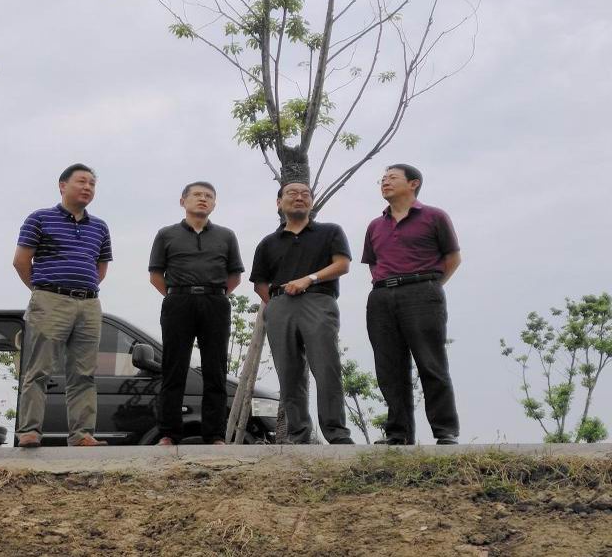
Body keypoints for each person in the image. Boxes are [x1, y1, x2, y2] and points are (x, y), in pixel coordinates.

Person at [13, 163, 112, 448]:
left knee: (84, 373)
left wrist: (81, 289)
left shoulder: (100, 227)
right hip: (50, 299)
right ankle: (30, 431)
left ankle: (82, 434)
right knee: (39, 369)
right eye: (81, 181)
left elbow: (100, 268)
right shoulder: (40, 218)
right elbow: (21, 261)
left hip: (89, 302)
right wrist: (43, 290)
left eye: (92, 183)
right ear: (62, 185)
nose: (87, 187)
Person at [362, 164, 462, 445]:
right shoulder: (375, 225)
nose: (385, 182)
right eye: (383, 179)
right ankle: (398, 433)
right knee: (389, 367)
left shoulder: (434, 216)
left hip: (422, 292)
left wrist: (430, 287)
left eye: (392, 177)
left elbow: (453, 258)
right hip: (381, 297)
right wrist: (387, 285)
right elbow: (373, 263)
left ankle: (445, 430)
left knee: (431, 362)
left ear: (413, 183)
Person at [250, 181, 355, 445]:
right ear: (279, 203)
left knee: (326, 367)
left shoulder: (330, 232)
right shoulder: (268, 243)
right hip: (279, 306)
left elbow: (342, 265)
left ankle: (336, 433)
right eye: (292, 193)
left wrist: (309, 279)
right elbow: (259, 283)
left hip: (318, 300)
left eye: (305, 194)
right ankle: (298, 435)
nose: (299, 197)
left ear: (311, 201)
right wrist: (277, 304)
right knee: (289, 373)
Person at [148, 182, 244, 445]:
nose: (203, 199)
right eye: (197, 195)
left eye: (209, 196)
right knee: (174, 367)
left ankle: (214, 434)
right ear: (183, 201)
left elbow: (234, 276)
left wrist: (216, 295)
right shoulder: (166, 234)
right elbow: (156, 275)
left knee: (216, 369)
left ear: (214, 203)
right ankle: (169, 433)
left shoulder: (226, 236)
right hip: (178, 301)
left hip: (215, 302)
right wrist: (177, 295)